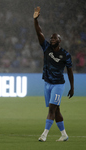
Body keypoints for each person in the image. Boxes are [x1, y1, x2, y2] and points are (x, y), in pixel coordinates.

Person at [33, 7, 74, 142]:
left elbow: (69, 70)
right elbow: (39, 33)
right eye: (51, 38)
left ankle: (44, 134)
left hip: (58, 85)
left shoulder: (65, 55)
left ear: (59, 40)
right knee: (56, 111)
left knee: (51, 110)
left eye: (54, 38)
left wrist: (72, 87)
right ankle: (64, 135)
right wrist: (35, 20)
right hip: (47, 83)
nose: (52, 39)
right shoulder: (46, 48)